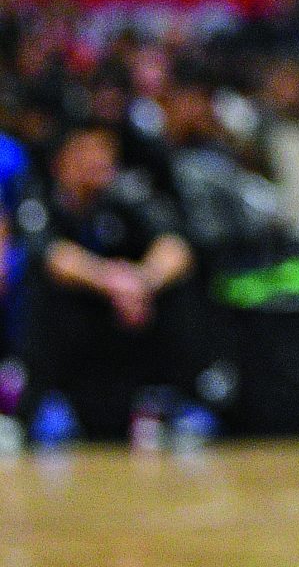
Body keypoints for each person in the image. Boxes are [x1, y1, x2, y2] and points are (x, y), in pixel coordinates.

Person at [19, 123, 197, 440]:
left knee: (180, 289)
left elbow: (176, 247)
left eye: (105, 151)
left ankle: (174, 398)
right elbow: (55, 259)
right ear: (61, 161)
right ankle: (46, 402)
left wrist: (143, 280)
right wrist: (112, 281)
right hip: (65, 338)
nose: (98, 160)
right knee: (41, 287)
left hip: (122, 330)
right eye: (87, 151)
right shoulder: (40, 200)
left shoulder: (129, 198)